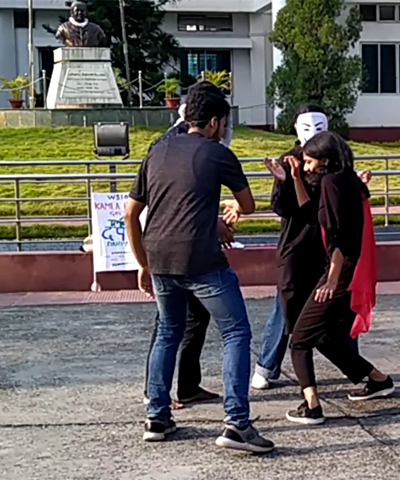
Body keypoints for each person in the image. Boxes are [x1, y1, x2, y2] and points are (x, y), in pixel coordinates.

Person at [124, 81, 274, 453]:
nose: (225, 129)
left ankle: (157, 416)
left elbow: (131, 212)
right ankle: (237, 423)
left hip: (159, 256)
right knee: (236, 332)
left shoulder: (157, 149)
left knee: (168, 332)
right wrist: (230, 213)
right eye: (224, 122)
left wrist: (142, 262)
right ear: (215, 122)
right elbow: (250, 205)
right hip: (202, 260)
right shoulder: (216, 153)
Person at [284, 131, 394, 426]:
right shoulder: (349, 181)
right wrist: (294, 178)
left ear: (326, 160)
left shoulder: (332, 183)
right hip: (351, 272)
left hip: (342, 273)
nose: (306, 166)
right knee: (323, 338)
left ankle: (312, 407)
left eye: (308, 161)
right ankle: (378, 380)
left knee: (298, 341)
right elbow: (311, 215)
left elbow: (337, 238)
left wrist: (330, 281)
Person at [250, 105, 363, 391]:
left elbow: (332, 213)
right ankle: (268, 364)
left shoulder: (338, 166)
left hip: (329, 248)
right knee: (285, 306)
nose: (310, 164)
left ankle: (354, 365)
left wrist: (355, 188)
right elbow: (285, 207)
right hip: (297, 244)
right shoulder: (291, 161)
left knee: (339, 309)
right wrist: (289, 179)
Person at [140, 101, 231, 409]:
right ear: (213, 121)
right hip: (175, 244)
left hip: (169, 243)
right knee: (168, 325)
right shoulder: (169, 146)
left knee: (194, 317)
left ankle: (186, 386)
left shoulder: (190, 144)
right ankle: (155, 392)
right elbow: (164, 199)